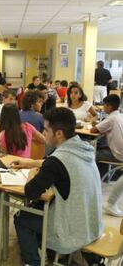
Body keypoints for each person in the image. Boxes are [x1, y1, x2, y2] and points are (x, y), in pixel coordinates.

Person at [12, 108, 103, 266]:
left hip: (73, 228)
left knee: (22, 218)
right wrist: (29, 162)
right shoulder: (81, 147)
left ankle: (32, 262)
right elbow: (51, 162)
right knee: (42, 207)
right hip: (93, 222)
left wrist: (32, 173)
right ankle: (46, 249)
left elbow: (30, 192)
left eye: (46, 130)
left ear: (59, 133)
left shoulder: (58, 160)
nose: (43, 133)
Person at [90, 94, 123, 216]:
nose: (103, 107)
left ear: (109, 106)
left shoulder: (111, 119)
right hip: (119, 152)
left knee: (92, 155)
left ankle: (110, 202)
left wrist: (94, 125)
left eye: (104, 105)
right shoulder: (119, 116)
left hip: (118, 155)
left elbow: (94, 131)